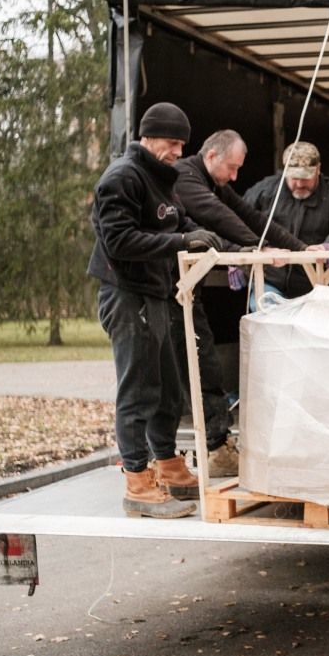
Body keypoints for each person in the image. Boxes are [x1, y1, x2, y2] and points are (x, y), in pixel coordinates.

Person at [88, 102, 227, 518]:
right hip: (126, 294)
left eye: (183, 144)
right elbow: (120, 242)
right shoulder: (121, 178)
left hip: (158, 294)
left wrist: (202, 236)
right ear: (147, 137)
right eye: (172, 142)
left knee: (168, 386)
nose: (178, 152)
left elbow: (176, 223)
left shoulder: (161, 178)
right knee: (139, 388)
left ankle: (167, 463)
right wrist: (181, 243)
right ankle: (137, 479)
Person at [171, 130, 301, 477]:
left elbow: (251, 216)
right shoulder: (185, 176)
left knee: (205, 363)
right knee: (181, 370)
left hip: (188, 289)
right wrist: (254, 250)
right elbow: (217, 216)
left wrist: (302, 249)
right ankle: (169, 457)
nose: (234, 176)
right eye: (232, 167)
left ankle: (217, 447)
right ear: (212, 156)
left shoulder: (214, 182)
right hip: (168, 288)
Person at [241, 141, 329, 299]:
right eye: (294, 178)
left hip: (317, 284)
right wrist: (241, 252)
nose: (299, 184)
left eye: (305, 178)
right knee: (266, 309)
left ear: (318, 169)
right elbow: (239, 222)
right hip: (270, 281)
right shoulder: (264, 191)